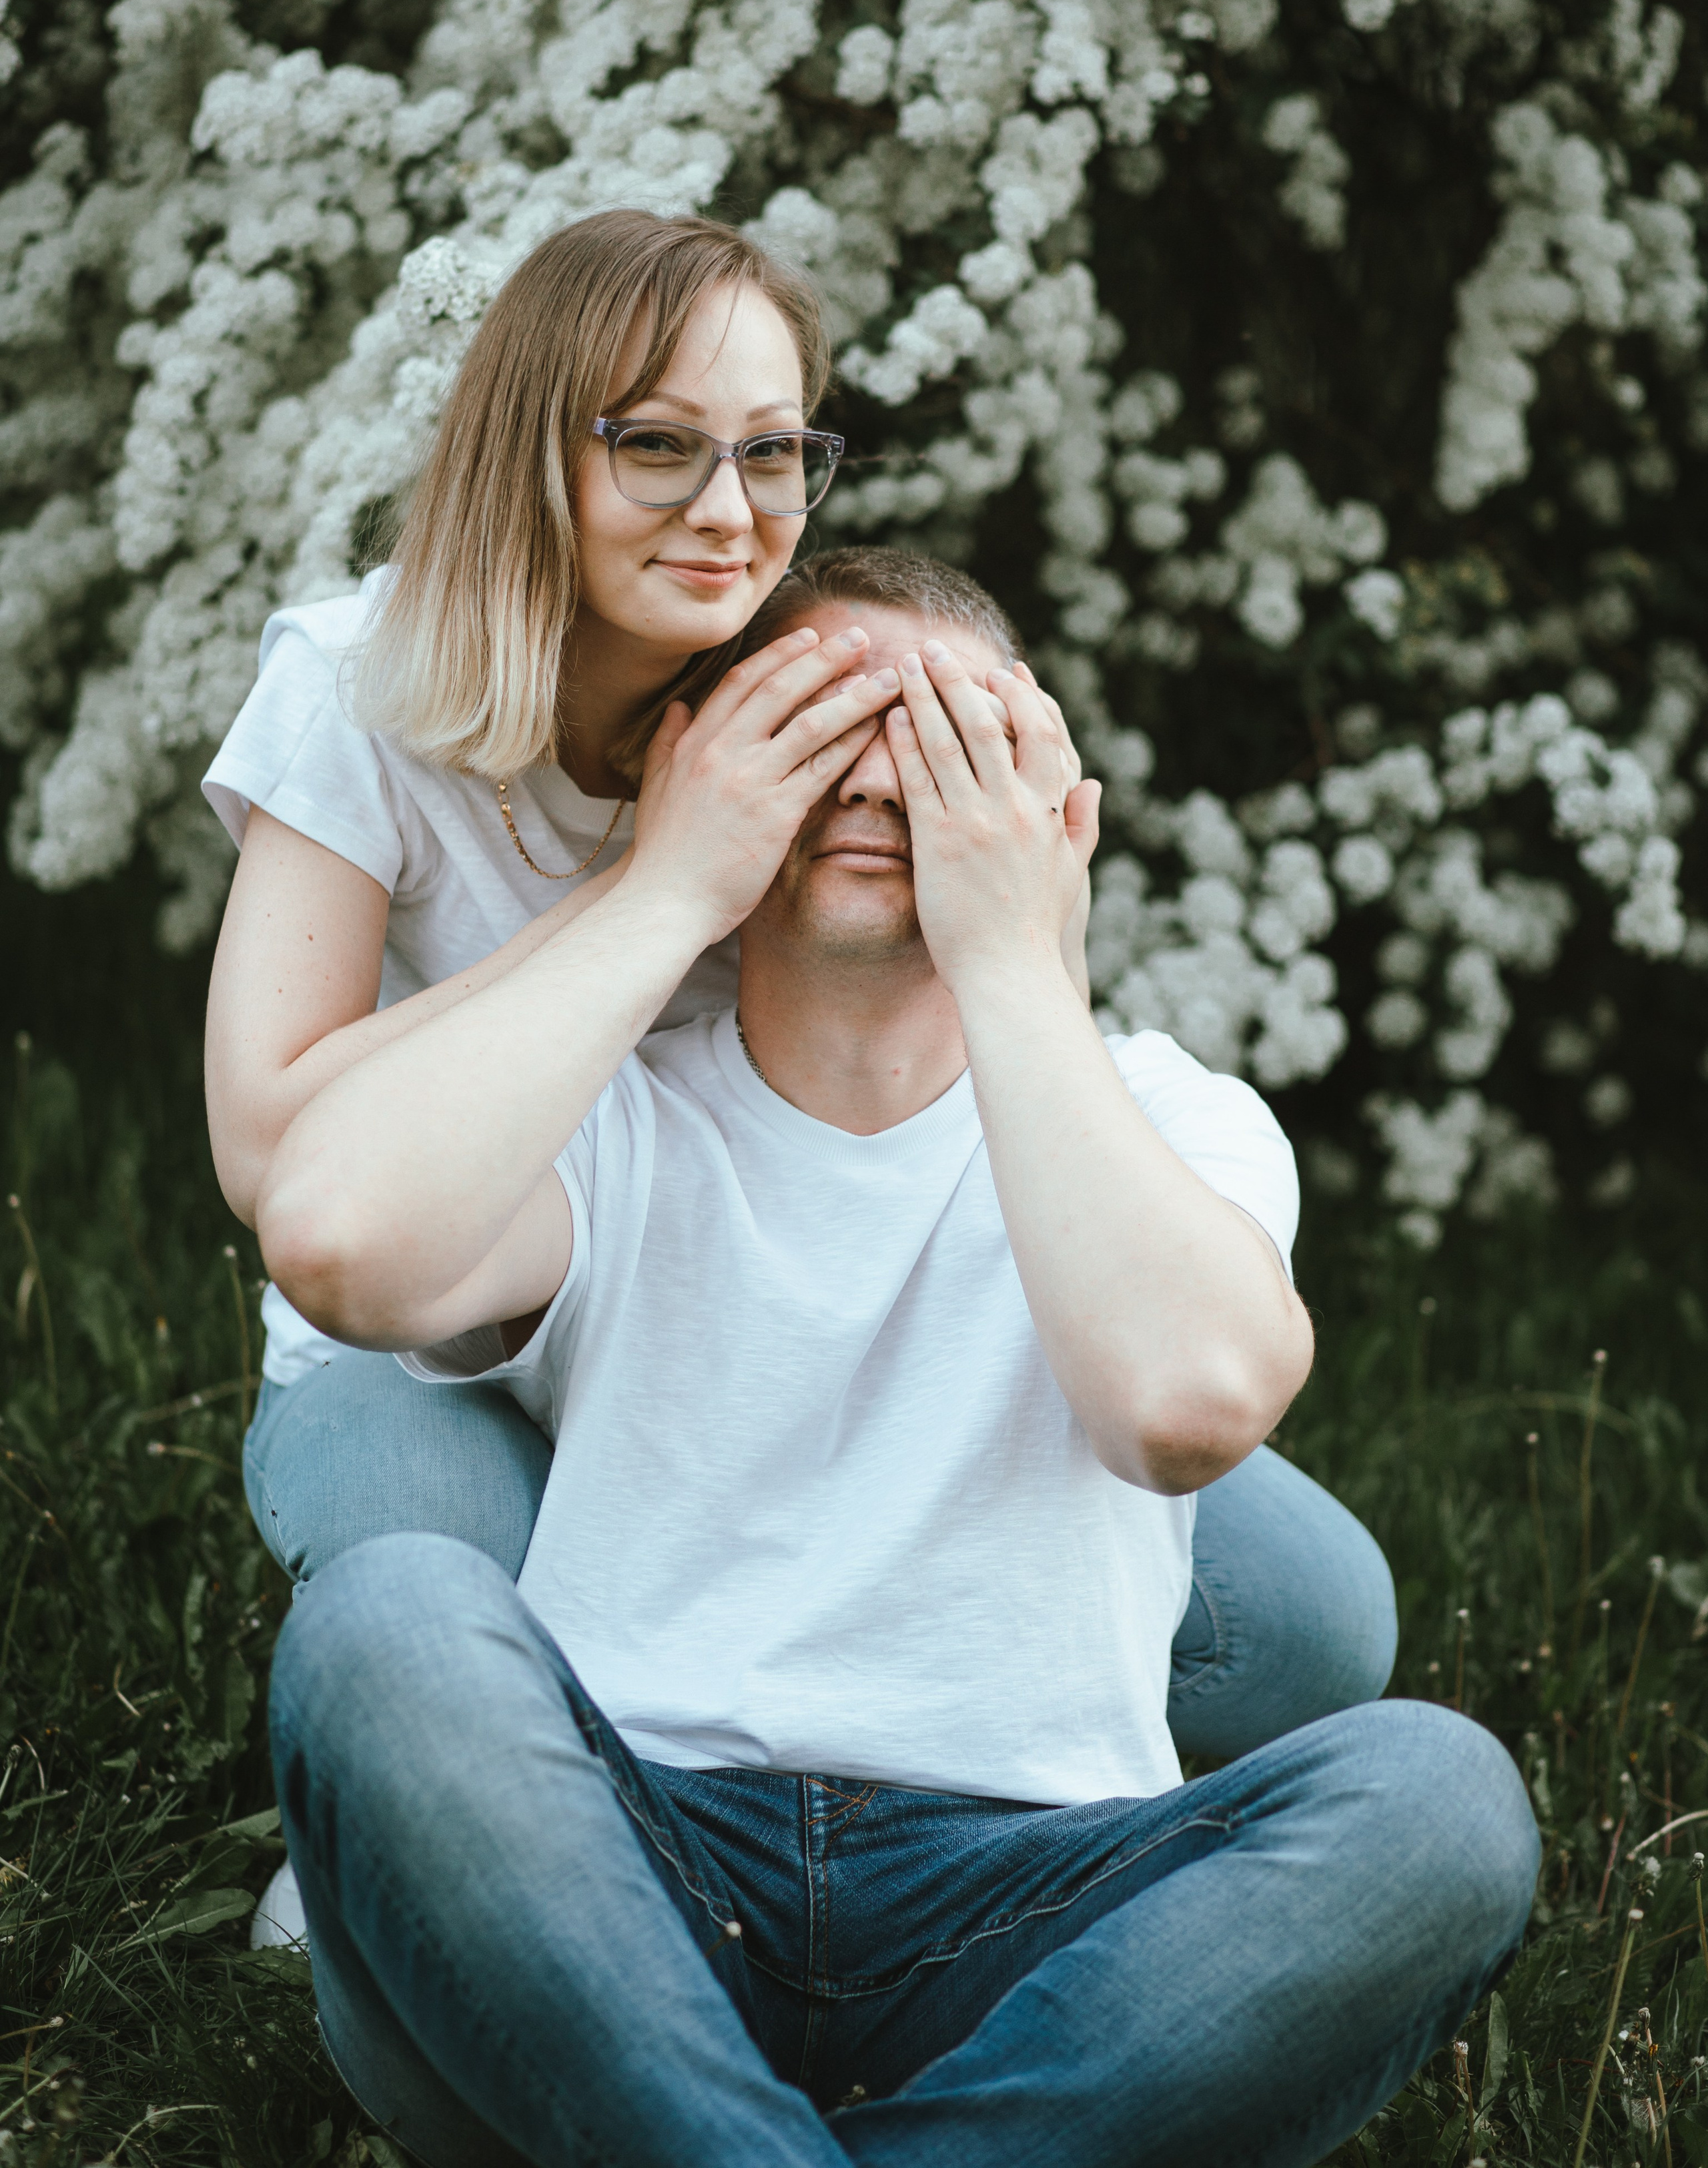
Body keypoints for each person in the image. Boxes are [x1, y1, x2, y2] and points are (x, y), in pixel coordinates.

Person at [254, 567, 1540, 2167]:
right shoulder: (611, 1103)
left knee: (1440, 1796)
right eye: (811, 729)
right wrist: (664, 888)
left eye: (943, 741)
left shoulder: (1171, 1119)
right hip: (621, 1881)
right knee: (383, 1621)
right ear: (697, 774)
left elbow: (1184, 1402)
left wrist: (1014, 961)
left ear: (1053, 818)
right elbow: (333, 1238)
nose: (872, 775)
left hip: (1024, 1893)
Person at [202, 215, 1396, 1897]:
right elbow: (274, 1171)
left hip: (728, 1298)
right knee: (452, 1575)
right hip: (436, 1307)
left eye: (771, 454)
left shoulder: (794, 670)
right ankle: (417, 1854)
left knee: (1307, 1614)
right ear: (534, 450)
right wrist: (662, 882)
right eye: (660, 446)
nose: (725, 510)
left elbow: (960, 1019)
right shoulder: (368, 684)